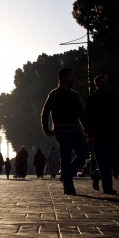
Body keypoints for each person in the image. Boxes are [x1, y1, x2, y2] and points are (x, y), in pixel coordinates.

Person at [40, 67, 88, 195]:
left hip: (75, 129)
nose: (73, 78)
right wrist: (46, 128)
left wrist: (87, 129)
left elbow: (81, 114)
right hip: (62, 131)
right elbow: (45, 113)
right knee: (65, 157)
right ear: (63, 78)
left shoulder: (74, 95)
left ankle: (67, 176)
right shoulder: (54, 94)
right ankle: (68, 186)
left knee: (83, 153)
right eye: (70, 76)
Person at [85, 75, 119, 194]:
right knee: (103, 160)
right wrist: (89, 134)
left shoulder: (111, 96)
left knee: (111, 160)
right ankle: (107, 187)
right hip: (98, 135)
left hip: (111, 133)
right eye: (102, 82)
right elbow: (88, 118)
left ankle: (96, 175)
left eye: (106, 82)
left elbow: (116, 114)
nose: (105, 84)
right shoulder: (92, 99)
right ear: (97, 84)